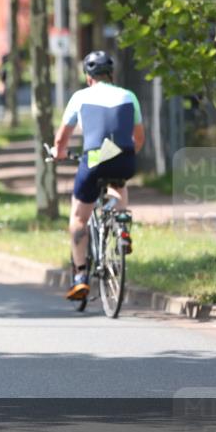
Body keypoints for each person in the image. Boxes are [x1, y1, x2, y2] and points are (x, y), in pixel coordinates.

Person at [52, 50, 145, 301]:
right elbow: (139, 138)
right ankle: (121, 222)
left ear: (88, 77)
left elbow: (62, 138)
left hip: (94, 159)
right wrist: (125, 154)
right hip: (125, 158)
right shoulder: (129, 96)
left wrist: (59, 153)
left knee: (79, 218)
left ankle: (81, 276)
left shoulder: (80, 97)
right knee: (118, 183)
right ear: (111, 74)